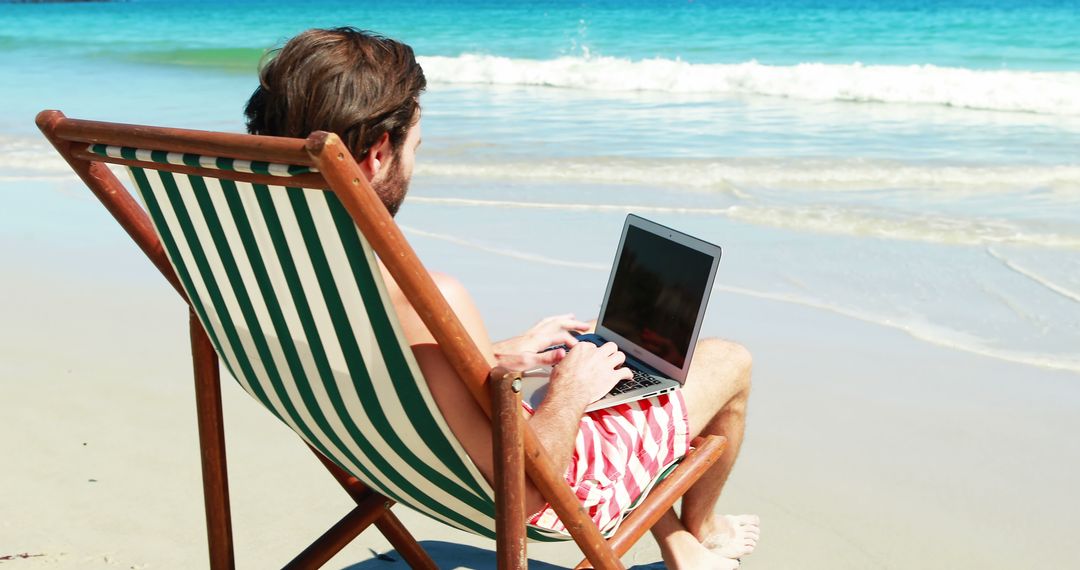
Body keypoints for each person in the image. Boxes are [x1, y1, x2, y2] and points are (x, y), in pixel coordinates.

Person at [244, 27, 759, 569]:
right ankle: (700, 532)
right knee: (727, 361)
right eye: (414, 148)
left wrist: (488, 355)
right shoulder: (424, 296)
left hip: (392, 466)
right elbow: (529, 493)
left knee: (615, 376)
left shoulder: (266, 276)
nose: (415, 163)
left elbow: (381, 370)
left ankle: (677, 539)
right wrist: (570, 389)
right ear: (376, 154)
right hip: (547, 493)